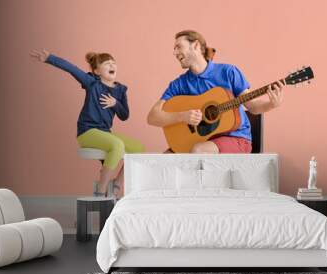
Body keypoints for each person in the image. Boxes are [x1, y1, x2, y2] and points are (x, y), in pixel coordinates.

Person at [30, 49, 145, 197]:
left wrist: (115, 103)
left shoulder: (120, 90)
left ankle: (117, 184)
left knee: (138, 148)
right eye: (107, 63)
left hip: (104, 132)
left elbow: (124, 115)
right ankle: (101, 191)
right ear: (97, 71)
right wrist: (50, 58)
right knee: (117, 145)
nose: (112, 65)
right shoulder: (92, 83)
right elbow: (72, 68)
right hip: (87, 132)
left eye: (113, 63)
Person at [147, 30, 284, 153]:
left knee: (199, 150)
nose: (174, 53)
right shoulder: (179, 84)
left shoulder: (228, 72)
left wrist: (271, 104)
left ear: (195, 45)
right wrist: (182, 116)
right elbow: (152, 117)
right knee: (164, 159)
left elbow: (253, 107)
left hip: (236, 139)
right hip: (202, 140)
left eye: (178, 47)